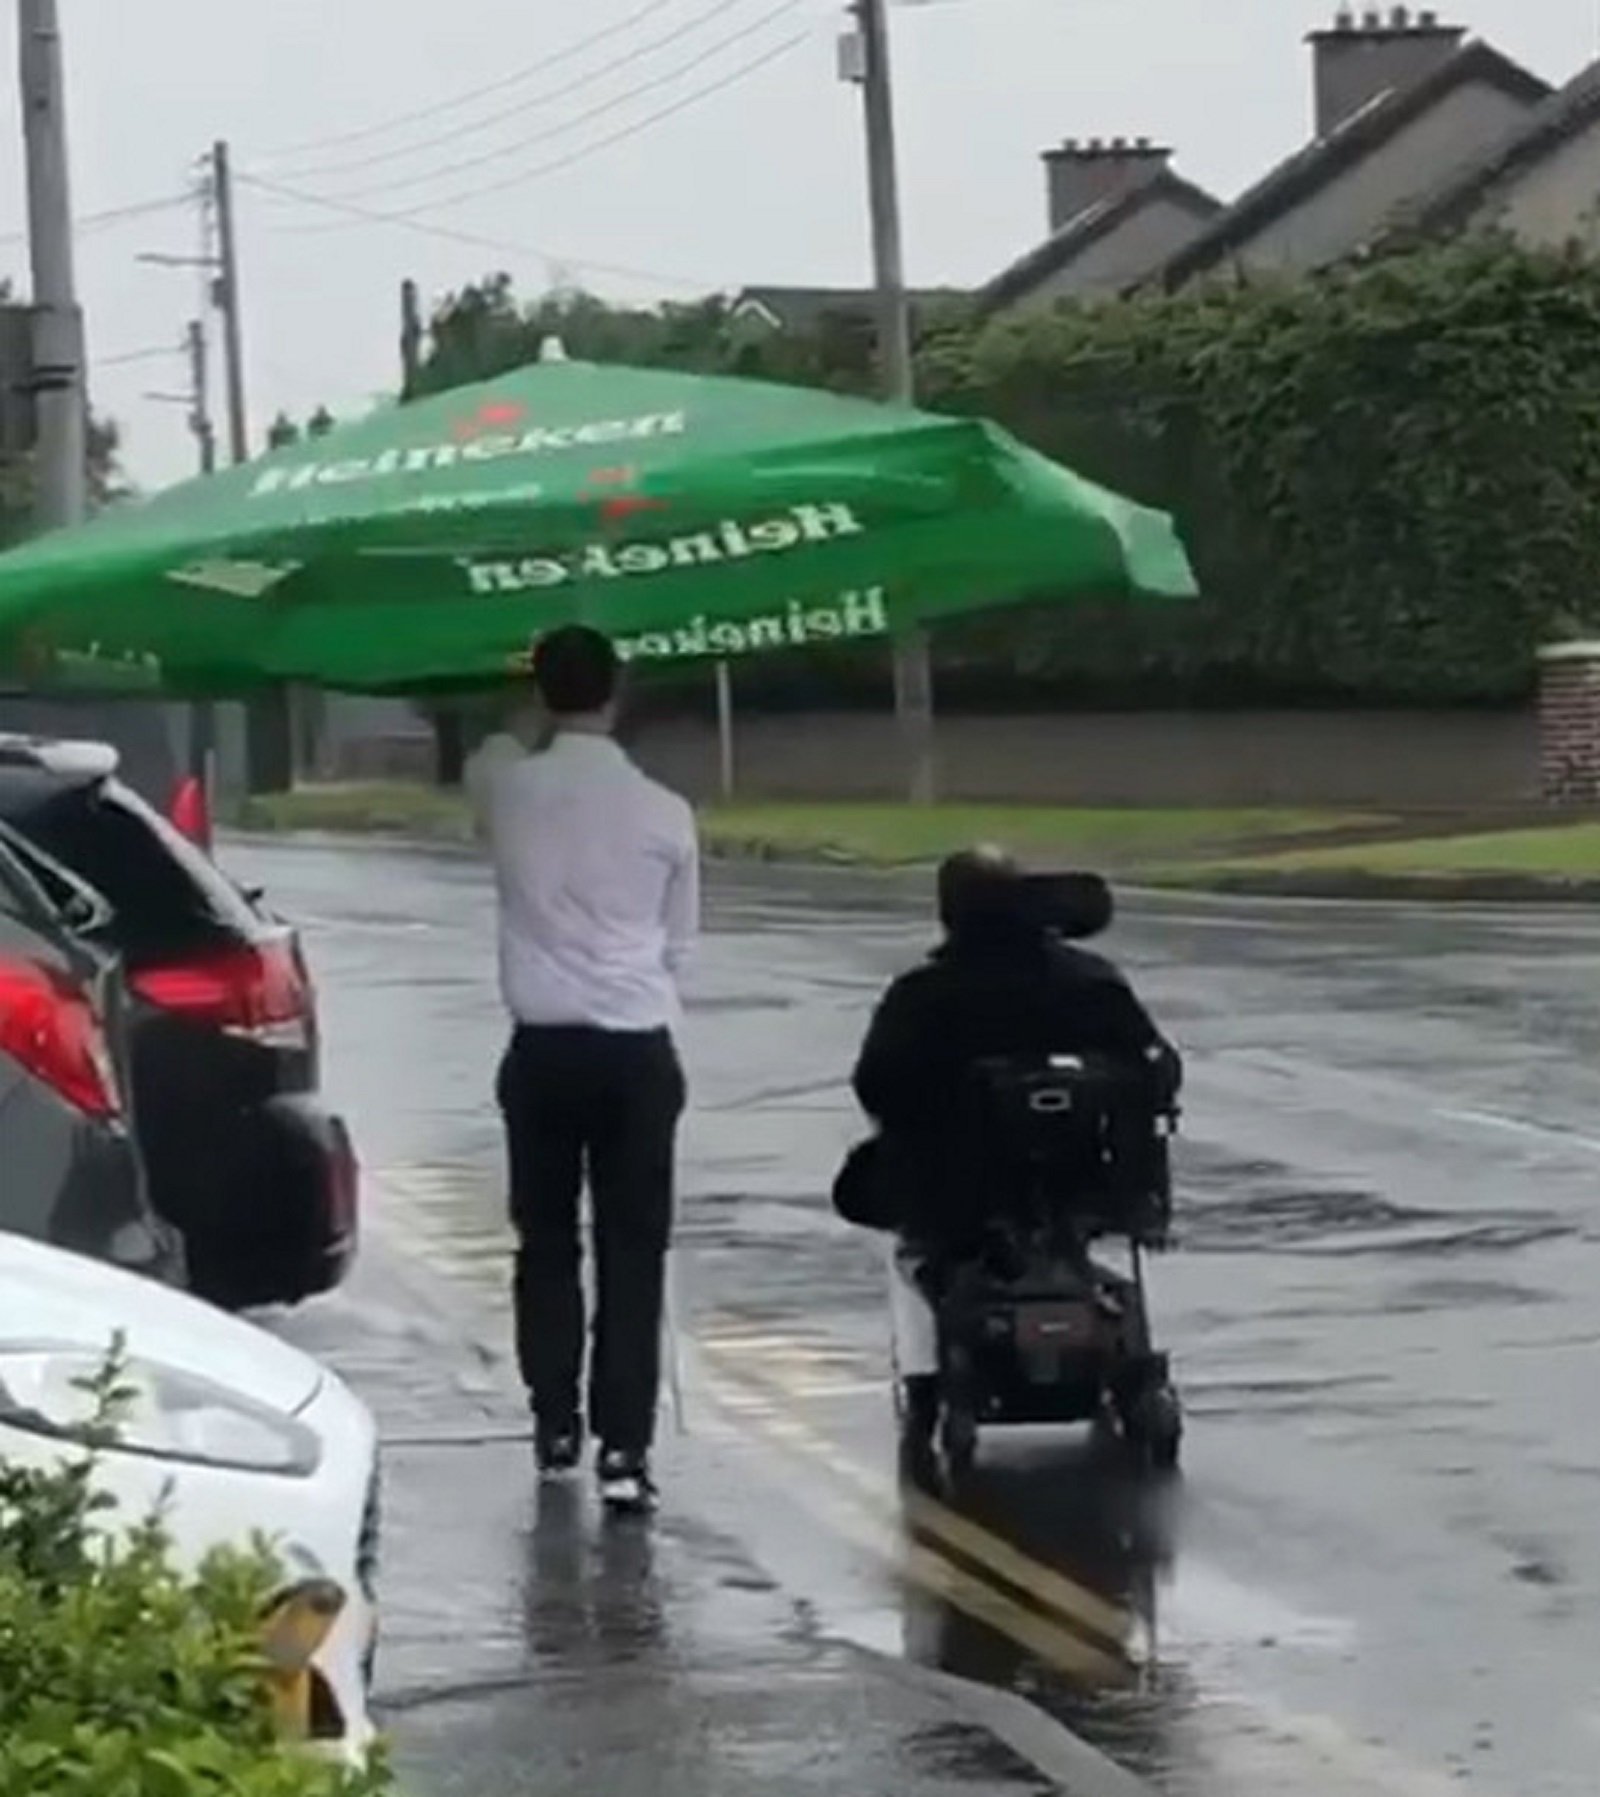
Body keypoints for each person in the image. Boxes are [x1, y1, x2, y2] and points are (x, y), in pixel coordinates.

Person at [842, 846, 1179, 1433]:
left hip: (956, 1186)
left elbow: (877, 1085)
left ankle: (930, 1376)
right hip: (1083, 1176)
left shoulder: (924, 995)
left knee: (874, 1194)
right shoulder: (1092, 982)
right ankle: (1129, 1367)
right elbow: (1155, 1070)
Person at [478, 626, 699, 1514]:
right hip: (636, 1048)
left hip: (542, 1050)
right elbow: (681, 945)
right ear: (620, 694)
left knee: (546, 1240)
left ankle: (554, 1419)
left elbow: (496, 749)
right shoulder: (666, 812)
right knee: (633, 1249)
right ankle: (626, 1445)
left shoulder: (506, 789)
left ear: (539, 693)